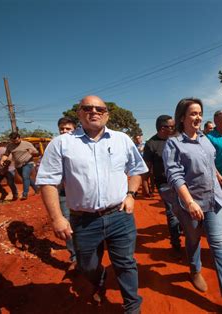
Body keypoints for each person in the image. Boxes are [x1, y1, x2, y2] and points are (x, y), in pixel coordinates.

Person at [36, 95, 148, 314]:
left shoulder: (121, 139)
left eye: (100, 108)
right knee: (87, 266)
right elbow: (48, 181)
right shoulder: (61, 143)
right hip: (83, 220)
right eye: (88, 108)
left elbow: (137, 169)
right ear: (79, 113)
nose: (94, 112)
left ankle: (132, 307)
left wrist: (131, 194)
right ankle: (99, 279)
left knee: (126, 263)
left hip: (119, 216)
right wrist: (58, 218)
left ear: (106, 114)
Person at [163, 98, 222, 313]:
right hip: (191, 204)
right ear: (182, 117)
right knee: (193, 240)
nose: (198, 117)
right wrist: (189, 201)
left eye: (199, 113)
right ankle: (194, 270)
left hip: (214, 200)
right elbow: (175, 176)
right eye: (193, 113)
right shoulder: (174, 143)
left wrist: (217, 173)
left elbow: (209, 160)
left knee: (219, 245)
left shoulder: (204, 138)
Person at [143, 115, 181, 252]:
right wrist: (145, 183)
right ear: (162, 128)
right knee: (172, 213)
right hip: (164, 183)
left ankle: (179, 230)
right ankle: (176, 243)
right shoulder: (151, 144)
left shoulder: (177, 139)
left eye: (174, 126)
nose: (174, 129)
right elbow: (147, 166)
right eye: (171, 127)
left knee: (184, 209)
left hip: (181, 180)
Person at [56, 117, 77, 267]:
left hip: (82, 194)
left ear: (75, 129)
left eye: (68, 129)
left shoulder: (83, 145)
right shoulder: (55, 146)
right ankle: (74, 257)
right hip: (63, 192)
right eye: (62, 129)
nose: (64, 132)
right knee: (67, 224)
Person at [1, 132, 39, 200]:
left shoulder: (27, 144)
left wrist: (32, 152)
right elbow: (6, 154)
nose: (15, 142)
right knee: (27, 178)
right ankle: (37, 189)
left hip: (28, 162)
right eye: (13, 140)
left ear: (20, 138)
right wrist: (2, 160)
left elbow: (36, 152)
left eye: (16, 140)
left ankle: (25, 194)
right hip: (18, 165)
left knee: (25, 177)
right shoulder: (10, 146)